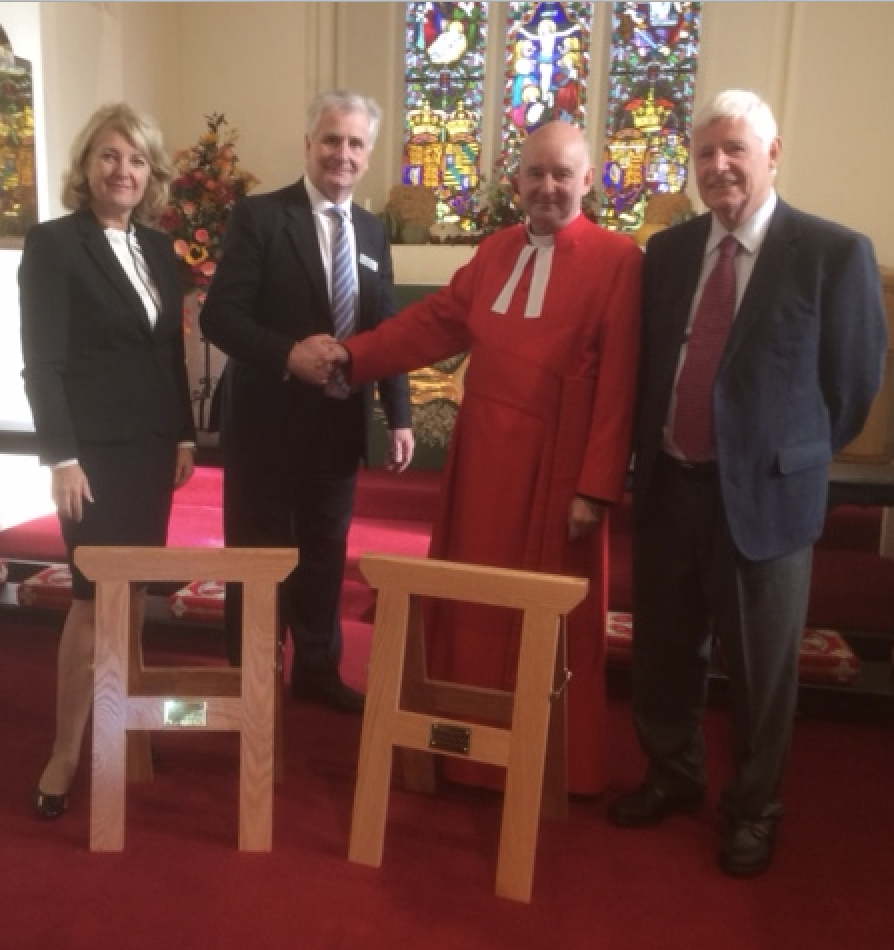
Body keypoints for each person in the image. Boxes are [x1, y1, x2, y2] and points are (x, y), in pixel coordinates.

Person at [297, 119, 642, 794]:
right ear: (515, 180)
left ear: (588, 179)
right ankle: (460, 748)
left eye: (562, 174)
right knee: (469, 598)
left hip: (556, 472)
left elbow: (621, 385)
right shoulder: (495, 252)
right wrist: (352, 353)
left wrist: (595, 489)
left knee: (541, 616)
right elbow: (432, 325)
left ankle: (550, 763)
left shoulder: (620, 259)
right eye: (535, 173)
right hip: (482, 460)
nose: (547, 187)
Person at [606, 89, 887, 876]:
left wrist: (782, 457)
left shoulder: (833, 253)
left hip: (763, 497)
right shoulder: (667, 252)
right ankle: (673, 775)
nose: (719, 166)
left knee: (762, 670)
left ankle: (755, 808)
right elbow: (652, 361)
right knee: (665, 652)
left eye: (735, 150)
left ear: (773, 153)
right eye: (705, 154)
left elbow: (853, 385)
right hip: (671, 487)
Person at [199, 90, 414, 715]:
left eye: (354, 143)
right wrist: (287, 353)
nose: (340, 154)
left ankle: (317, 669)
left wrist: (397, 414)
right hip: (267, 421)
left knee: (324, 552)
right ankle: (250, 678)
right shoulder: (262, 217)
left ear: (368, 154)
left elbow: (387, 327)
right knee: (258, 555)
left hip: (339, 424)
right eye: (330, 140)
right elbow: (221, 316)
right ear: (309, 145)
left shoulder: (372, 230)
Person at [19, 102, 197, 819]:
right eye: (109, 156)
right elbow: (43, 363)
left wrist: (184, 435)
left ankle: (125, 734)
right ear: (87, 166)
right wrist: (61, 455)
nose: (122, 170)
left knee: (139, 594)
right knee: (94, 600)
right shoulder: (55, 243)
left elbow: (167, 354)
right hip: (91, 456)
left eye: (136, 159)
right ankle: (66, 751)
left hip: (152, 449)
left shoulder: (159, 249)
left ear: (150, 174)